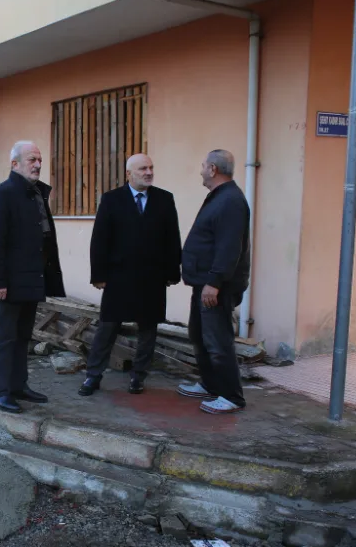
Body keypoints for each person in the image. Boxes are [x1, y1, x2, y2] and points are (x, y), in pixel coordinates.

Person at [79, 154, 182, 397]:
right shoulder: (112, 199)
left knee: (148, 329)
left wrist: (172, 272)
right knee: (107, 328)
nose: (148, 172)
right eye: (142, 168)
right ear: (129, 174)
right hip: (118, 277)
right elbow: (100, 240)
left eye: (151, 167)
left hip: (152, 277)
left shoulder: (164, 199)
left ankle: (138, 376)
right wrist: (99, 275)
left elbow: (172, 239)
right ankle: (93, 376)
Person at [0, 141, 65, 413]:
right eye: (32, 159)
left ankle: (18, 385)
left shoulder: (36, 194)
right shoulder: (2, 195)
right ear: (14, 164)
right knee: (4, 336)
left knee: (23, 336)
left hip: (32, 278)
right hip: (9, 282)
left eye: (39, 159)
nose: (38, 164)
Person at [178, 149, 251, 414]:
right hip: (204, 283)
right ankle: (210, 384)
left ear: (212, 169)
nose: (200, 170)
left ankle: (231, 396)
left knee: (218, 340)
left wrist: (215, 282)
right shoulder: (220, 197)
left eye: (202, 165)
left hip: (215, 287)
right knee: (199, 335)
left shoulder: (230, 200)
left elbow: (229, 247)